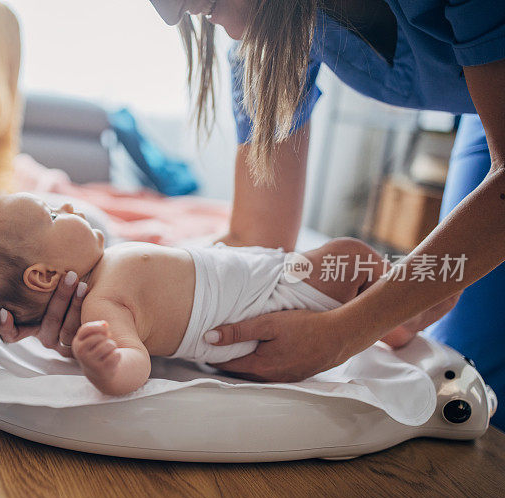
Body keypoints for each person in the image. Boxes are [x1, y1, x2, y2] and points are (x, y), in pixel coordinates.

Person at [138, 0, 505, 427]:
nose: (167, 12)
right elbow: (255, 239)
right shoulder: (265, 36)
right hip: (485, 113)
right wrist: (147, 295)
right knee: (469, 365)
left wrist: (343, 333)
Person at [0, 193, 457, 395]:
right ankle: (408, 314)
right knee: (350, 256)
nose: (68, 206)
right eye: (52, 215)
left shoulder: (106, 269)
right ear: (44, 278)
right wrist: (104, 364)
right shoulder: (101, 307)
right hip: (263, 299)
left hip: (254, 277)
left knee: (349, 264)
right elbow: (132, 364)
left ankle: (391, 318)